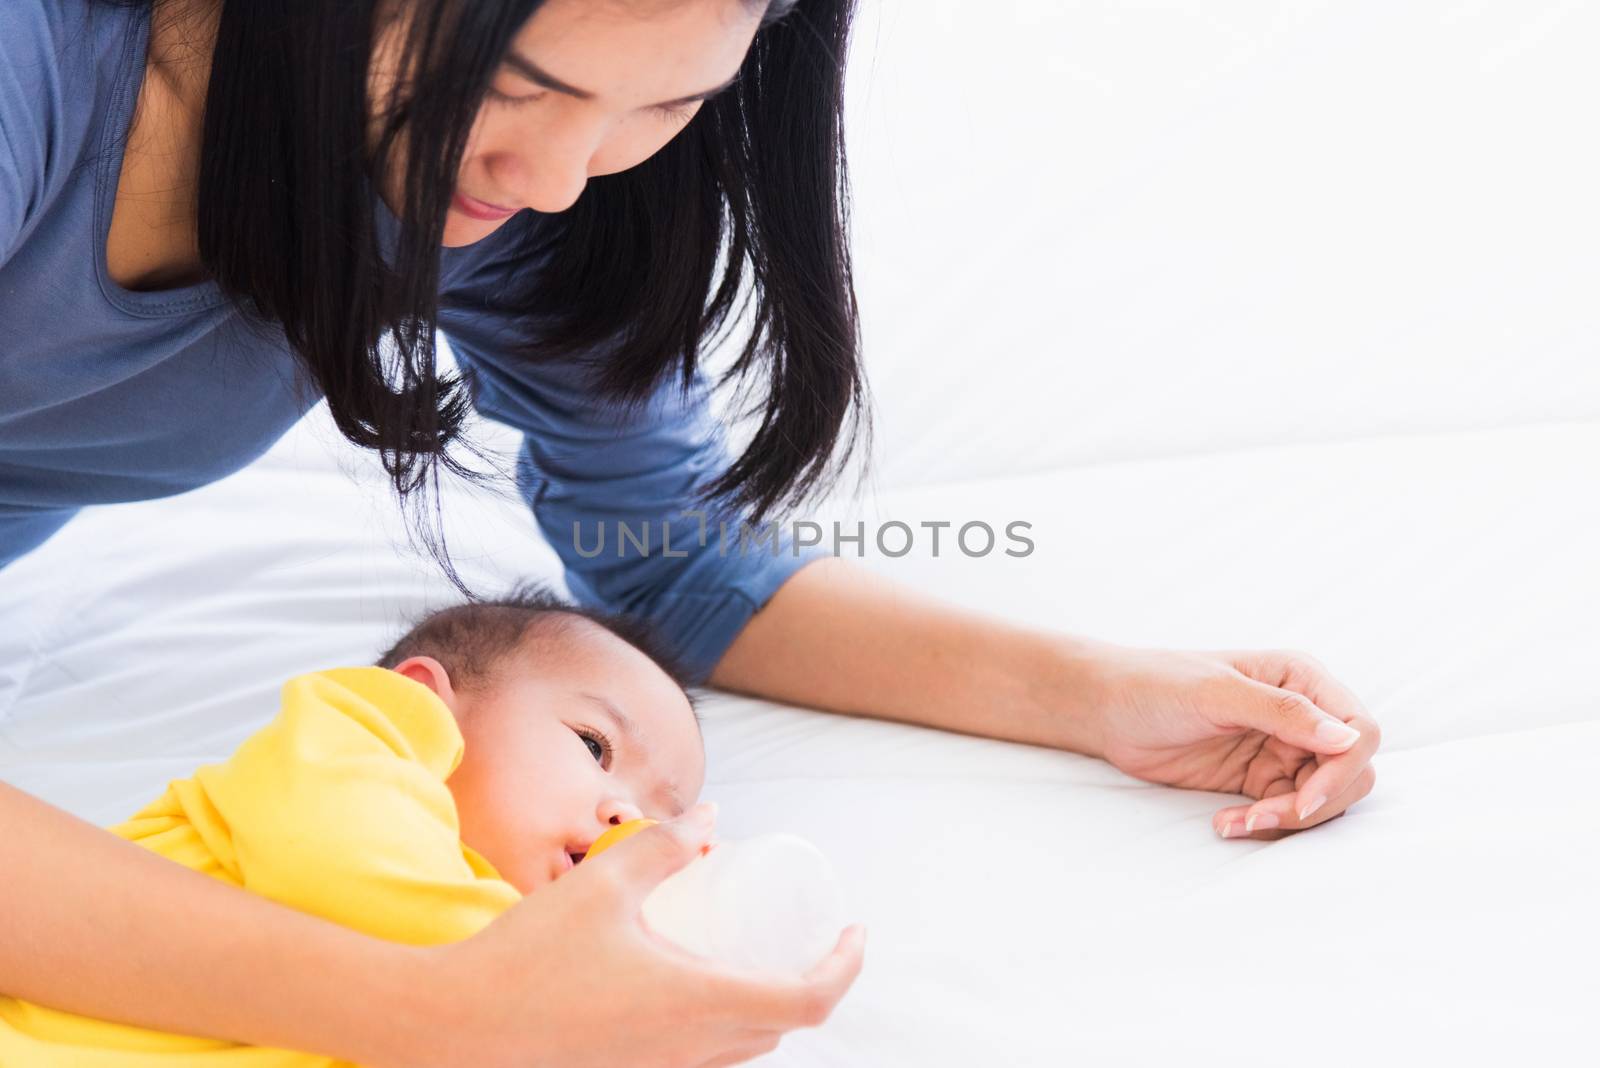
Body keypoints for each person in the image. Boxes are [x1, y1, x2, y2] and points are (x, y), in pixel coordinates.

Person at [0, 0, 1380, 1065]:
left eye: (665, 103)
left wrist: (1103, 694)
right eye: (521, 85)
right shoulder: (35, 79)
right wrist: (438, 1013)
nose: (556, 178)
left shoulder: (492, 197)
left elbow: (679, 561)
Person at [0, 588, 772, 1063]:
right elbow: (337, 853)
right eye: (595, 747)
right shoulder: (354, 744)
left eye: (657, 818)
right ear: (429, 703)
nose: (625, 814)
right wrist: (568, 983)